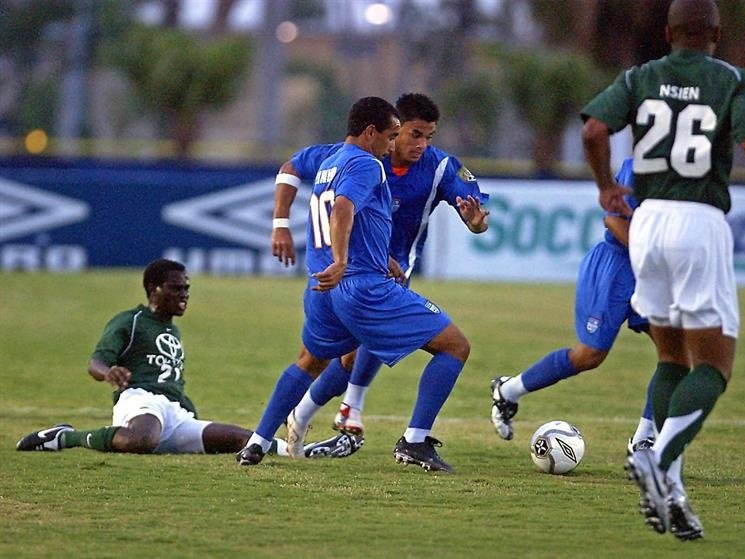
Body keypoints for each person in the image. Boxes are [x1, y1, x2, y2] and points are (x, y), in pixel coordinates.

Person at [581, 0, 745, 540]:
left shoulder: (641, 76)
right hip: (698, 221)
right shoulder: (734, 79)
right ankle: (660, 456)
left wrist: (605, 183)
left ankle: (670, 480)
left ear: (669, 32)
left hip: (646, 224)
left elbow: (594, 129)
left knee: (671, 355)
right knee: (714, 367)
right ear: (716, 33)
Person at [237, 96, 472, 473]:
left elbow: (354, 217)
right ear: (370, 133)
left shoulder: (329, 163)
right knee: (454, 346)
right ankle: (414, 441)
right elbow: (344, 208)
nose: (393, 144)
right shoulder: (368, 164)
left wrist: (381, 257)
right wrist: (344, 262)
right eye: (392, 135)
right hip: (361, 287)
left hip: (321, 290)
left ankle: (257, 442)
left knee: (309, 362)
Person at [16, 258, 358, 459]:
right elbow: (95, 362)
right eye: (177, 289)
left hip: (175, 415)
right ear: (153, 290)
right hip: (140, 403)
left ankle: (304, 451)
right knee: (142, 439)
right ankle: (66, 436)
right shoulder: (130, 321)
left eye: (187, 289)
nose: (184, 296)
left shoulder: (173, 332)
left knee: (246, 440)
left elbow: (172, 383)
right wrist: (109, 373)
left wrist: (186, 411)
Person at [489, 157, 657, 452]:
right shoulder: (642, 165)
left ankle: (645, 438)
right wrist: (650, 255)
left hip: (655, 275)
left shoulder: (691, 167)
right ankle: (508, 390)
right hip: (616, 268)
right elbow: (614, 219)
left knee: (676, 355)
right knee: (590, 355)